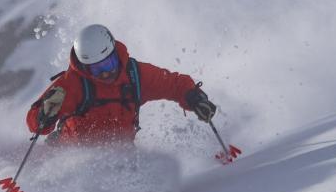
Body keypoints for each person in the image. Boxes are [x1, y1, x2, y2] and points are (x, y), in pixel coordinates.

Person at [26, 24, 217, 145]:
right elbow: (34, 121)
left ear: (115, 54)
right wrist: (45, 114)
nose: (106, 73)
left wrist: (195, 98)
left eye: (108, 64)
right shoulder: (72, 84)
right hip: (69, 155)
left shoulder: (135, 75)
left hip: (121, 156)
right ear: (85, 68)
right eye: (96, 69)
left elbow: (174, 84)